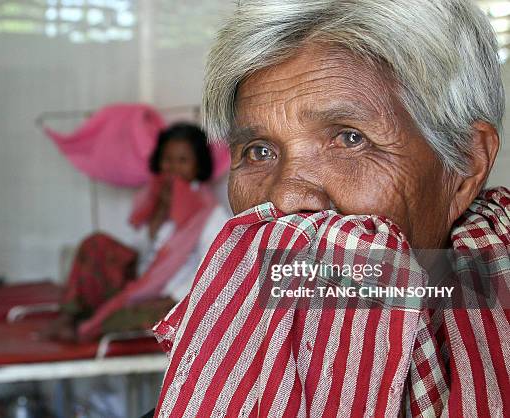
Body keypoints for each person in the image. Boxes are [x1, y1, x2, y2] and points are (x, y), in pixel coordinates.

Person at [152, 1, 509, 417]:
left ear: (464, 167)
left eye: (349, 139)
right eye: (259, 150)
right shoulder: (206, 387)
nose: (285, 199)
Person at [41, 123, 229, 342]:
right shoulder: (155, 196)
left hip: (171, 299)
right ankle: (68, 317)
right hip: (139, 287)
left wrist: (174, 296)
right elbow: (144, 257)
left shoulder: (209, 212)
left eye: (183, 161)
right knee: (96, 243)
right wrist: (157, 220)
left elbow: (216, 270)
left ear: (199, 167)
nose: (173, 169)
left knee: (134, 316)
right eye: (167, 160)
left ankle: (87, 328)